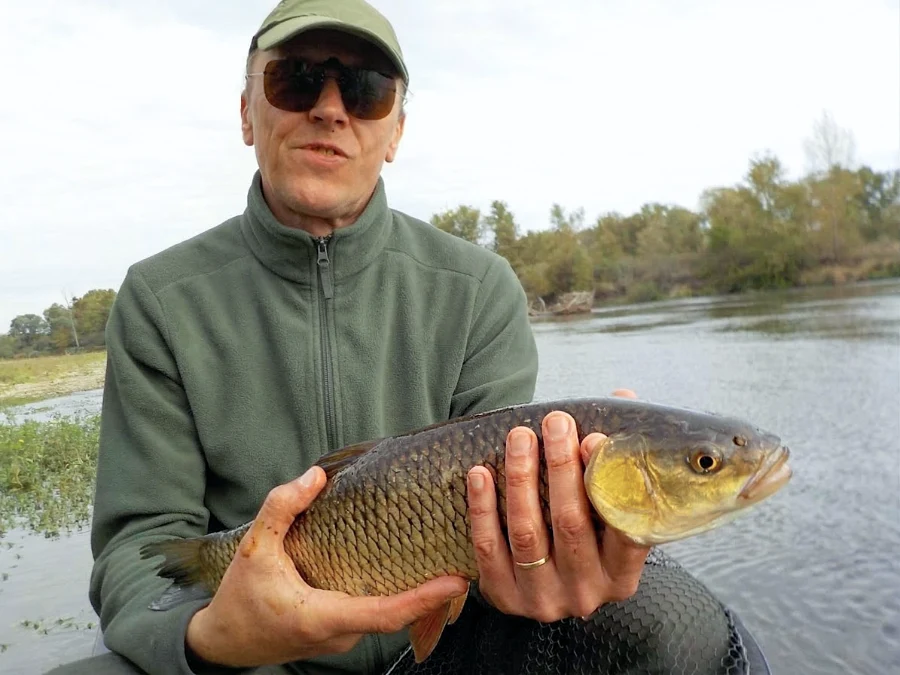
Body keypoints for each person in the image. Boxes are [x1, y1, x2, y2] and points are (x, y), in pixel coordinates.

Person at [47, 1, 649, 673]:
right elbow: (142, 550)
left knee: (657, 627)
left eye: (365, 91)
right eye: (297, 80)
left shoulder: (480, 288)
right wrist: (214, 635)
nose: (331, 109)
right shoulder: (159, 299)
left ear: (394, 132)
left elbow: (504, 521)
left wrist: (552, 564)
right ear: (247, 113)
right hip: (245, 658)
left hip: (443, 647)